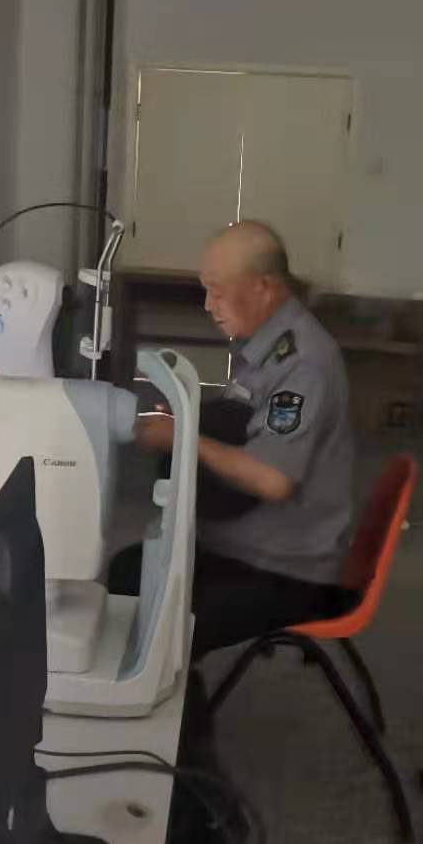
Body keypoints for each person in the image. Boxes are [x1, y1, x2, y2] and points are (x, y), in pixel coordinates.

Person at [109, 220, 357, 659]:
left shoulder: (303, 363)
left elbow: (272, 480)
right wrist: (186, 421)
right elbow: (240, 423)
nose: (209, 305)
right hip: (246, 543)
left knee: (160, 620)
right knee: (128, 574)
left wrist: (183, 436)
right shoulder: (263, 344)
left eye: (219, 292)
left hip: (286, 568)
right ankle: (172, 692)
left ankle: (174, 700)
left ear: (264, 287)